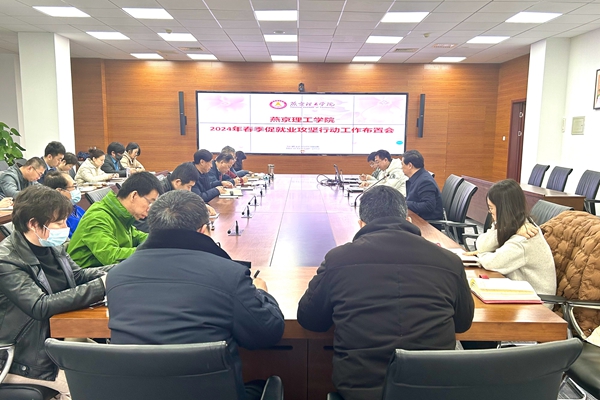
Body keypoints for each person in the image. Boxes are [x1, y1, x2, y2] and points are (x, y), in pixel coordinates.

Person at [297, 186, 474, 400]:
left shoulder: (338, 259)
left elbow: (310, 320)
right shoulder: (450, 261)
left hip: (360, 392)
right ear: (408, 220)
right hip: (433, 391)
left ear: (361, 224)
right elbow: (463, 323)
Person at [106, 190, 285, 400]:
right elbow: (268, 333)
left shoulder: (116, 276)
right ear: (203, 230)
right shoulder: (228, 274)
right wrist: (261, 292)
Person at [0, 185, 111, 400]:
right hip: (24, 357)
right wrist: (101, 286)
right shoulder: (6, 260)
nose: (65, 227)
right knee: (89, 388)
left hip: (59, 339)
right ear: (33, 224)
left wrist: (120, 270)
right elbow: (39, 306)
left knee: (113, 368)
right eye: (59, 223)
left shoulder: (52, 246)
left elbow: (78, 276)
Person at [465, 179, 557, 296]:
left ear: (503, 209)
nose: (490, 212)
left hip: (537, 300)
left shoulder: (525, 237)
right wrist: (503, 231)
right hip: (521, 291)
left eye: (491, 208)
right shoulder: (512, 225)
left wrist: (480, 254)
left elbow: (492, 263)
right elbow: (482, 245)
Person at [67, 171, 162, 267]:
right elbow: (112, 257)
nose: (150, 209)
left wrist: (161, 241)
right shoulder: (98, 217)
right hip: (88, 273)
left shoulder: (121, 214)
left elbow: (137, 236)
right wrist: (151, 252)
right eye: (150, 202)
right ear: (134, 195)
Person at [401, 149, 443, 220]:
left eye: (402, 164)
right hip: (418, 217)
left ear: (410, 165)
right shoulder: (418, 177)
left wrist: (405, 203)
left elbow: (428, 206)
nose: (401, 167)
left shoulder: (425, 181)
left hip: (426, 222)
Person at [43, 170, 84, 237]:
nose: (76, 190)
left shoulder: (75, 208)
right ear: (59, 191)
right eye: (73, 186)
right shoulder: (56, 217)